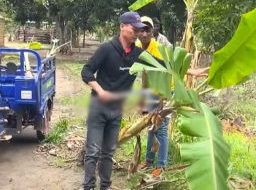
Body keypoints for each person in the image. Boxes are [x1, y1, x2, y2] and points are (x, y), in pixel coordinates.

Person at [80, 12, 207, 190]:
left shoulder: (137, 53)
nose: (138, 33)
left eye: (139, 30)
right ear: (122, 26)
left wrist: (191, 72)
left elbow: (162, 64)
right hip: (98, 108)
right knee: (93, 151)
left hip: (116, 109)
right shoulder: (106, 49)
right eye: (134, 29)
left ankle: (105, 186)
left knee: (108, 152)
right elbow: (86, 72)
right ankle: (88, 186)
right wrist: (100, 91)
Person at [135, 20, 170, 176]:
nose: (143, 33)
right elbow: (144, 74)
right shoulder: (137, 46)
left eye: (147, 30)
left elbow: (164, 75)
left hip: (166, 89)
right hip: (151, 89)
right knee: (151, 127)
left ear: (152, 32)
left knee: (161, 129)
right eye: (140, 30)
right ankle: (149, 161)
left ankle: (161, 166)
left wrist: (161, 102)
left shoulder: (158, 48)